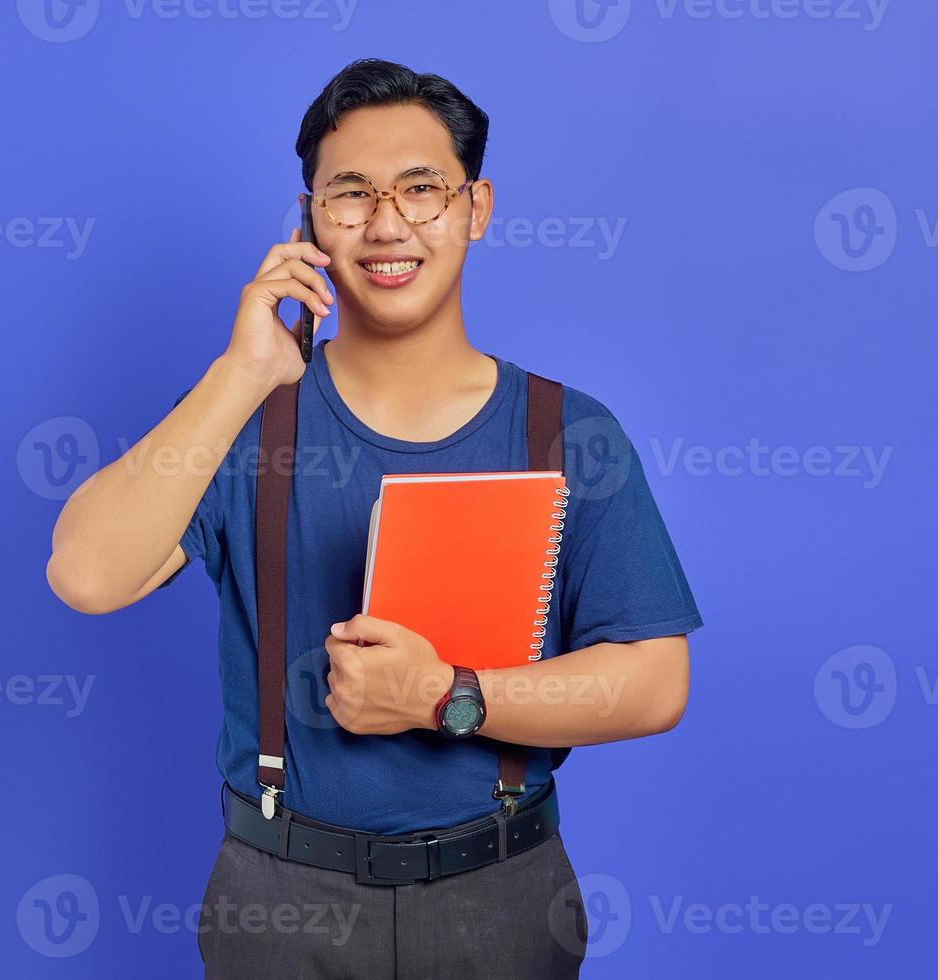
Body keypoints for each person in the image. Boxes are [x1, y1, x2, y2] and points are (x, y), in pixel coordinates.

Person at [46, 57, 703, 979]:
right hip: (278, 896)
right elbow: (85, 573)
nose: (386, 223)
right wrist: (243, 374)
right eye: (349, 194)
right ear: (311, 220)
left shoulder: (570, 433)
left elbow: (654, 682)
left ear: (476, 209)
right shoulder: (245, 426)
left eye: (421, 190)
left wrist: (447, 697)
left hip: (502, 891)